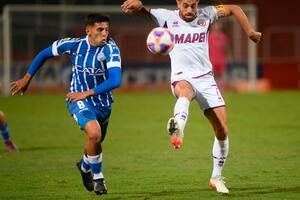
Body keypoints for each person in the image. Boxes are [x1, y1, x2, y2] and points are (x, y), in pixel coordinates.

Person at [122, 0, 261, 194]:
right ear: (178, 3)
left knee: (222, 130)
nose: (190, 10)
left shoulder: (208, 14)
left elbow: (234, 9)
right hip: (182, 77)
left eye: (193, 5)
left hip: (206, 79)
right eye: (185, 5)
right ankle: (178, 127)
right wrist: (139, 7)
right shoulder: (166, 17)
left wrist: (250, 31)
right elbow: (144, 12)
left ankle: (216, 177)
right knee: (185, 91)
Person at [10, 13, 122, 195]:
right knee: (94, 133)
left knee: (95, 141)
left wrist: (87, 92)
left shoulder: (111, 49)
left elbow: (116, 80)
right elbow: (44, 53)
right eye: (100, 29)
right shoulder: (74, 45)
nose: (105, 34)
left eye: (107, 30)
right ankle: (99, 178)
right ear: (88, 30)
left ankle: (84, 166)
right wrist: (26, 78)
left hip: (103, 102)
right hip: (77, 99)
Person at [208, 21, 229, 91]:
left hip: (221, 60)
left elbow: (226, 49)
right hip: (211, 60)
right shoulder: (209, 37)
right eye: (215, 25)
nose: (217, 27)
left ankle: (221, 90)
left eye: (218, 25)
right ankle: (213, 90)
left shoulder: (223, 37)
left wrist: (226, 57)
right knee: (212, 76)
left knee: (221, 76)